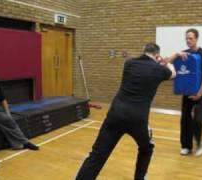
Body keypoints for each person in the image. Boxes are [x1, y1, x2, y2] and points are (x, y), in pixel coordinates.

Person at [75, 43, 176, 180]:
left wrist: (158, 63)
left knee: (97, 154)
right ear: (157, 55)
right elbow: (173, 74)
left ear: (143, 51)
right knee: (147, 147)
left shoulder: (129, 63)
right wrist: (166, 63)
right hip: (137, 119)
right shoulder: (158, 69)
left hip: (115, 114)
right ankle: (140, 177)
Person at [165, 28, 202, 156]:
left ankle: (199, 145)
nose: (188, 40)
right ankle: (186, 146)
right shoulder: (183, 54)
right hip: (188, 91)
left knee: (198, 118)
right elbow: (166, 63)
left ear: (196, 39)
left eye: (191, 38)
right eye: (186, 38)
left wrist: (199, 94)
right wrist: (176, 53)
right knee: (185, 118)